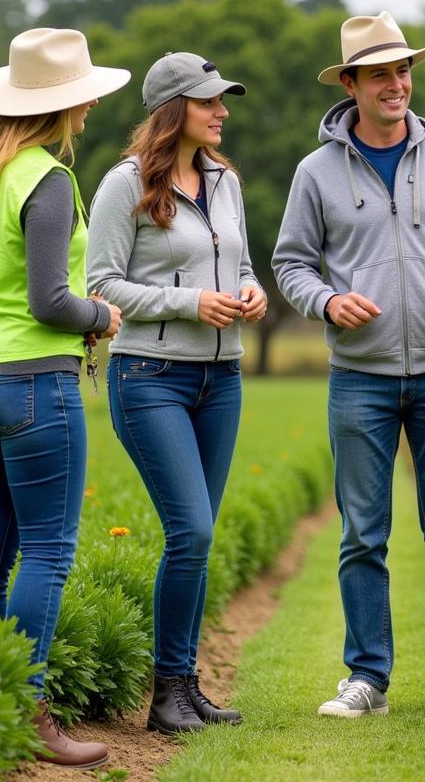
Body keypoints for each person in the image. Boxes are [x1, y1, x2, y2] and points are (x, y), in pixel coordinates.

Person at [272, 11, 425, 719]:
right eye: (380, 74)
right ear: (351, 85)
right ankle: (366, 677)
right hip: (359, 378)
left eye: (403, 71)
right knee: (362, 532)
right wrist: (327, 302)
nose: (397, 84)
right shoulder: (316, 174)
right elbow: (290, 263)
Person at [0, 27, 127, 768]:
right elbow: (51, 301)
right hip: (33, 386)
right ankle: (27, 707)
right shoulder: (46, 177)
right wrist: (101, 316)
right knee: (47, 548)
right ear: (68, 103)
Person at [86, 51, 265, 736]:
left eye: (224, 100)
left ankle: (185, 687)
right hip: (149, 379)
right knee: (189, 530)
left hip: (222, 380)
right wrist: (190, 303)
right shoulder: (123, 186)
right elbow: (100, 286)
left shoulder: (226, 182)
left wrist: (251, 293)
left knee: (199, 538)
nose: (223, 111)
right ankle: (165, 697)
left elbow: (241, 264)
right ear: (173, 110)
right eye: (209, 100)